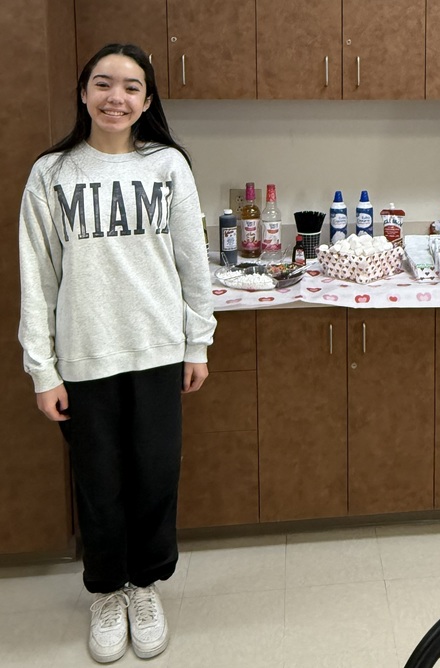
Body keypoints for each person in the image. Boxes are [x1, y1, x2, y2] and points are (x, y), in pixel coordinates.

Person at [18, 43, 216, 661]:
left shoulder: (167, 167)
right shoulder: (52, 174)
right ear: (83, 93)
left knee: (156, 476)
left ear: (148, 101)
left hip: (157, 351)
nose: (116, 97)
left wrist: (197, 341)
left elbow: (192, 259)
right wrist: (42, 369)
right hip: (84, 359)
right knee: (99, 485)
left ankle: (145, 584)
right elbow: (37, 276)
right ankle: (107, 591)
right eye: (103, 84)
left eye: (131, 87)